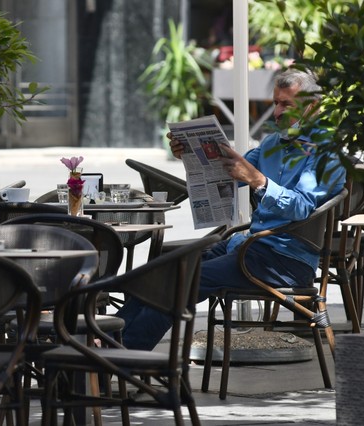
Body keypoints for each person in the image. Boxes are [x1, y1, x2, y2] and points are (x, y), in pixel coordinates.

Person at [115, 68, 347, 351]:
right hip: (247, 246)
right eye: (275, 102)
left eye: (287, 104)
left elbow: (301, 207)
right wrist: (189, 151)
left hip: (284, 260)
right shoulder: (273, 142)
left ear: (313, 106)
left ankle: (123, 357)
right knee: (161, 272)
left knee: (181, 282)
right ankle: (103, 346)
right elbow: (228, 171)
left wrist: (258, 180)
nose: (276, 112)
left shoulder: (328, 154)